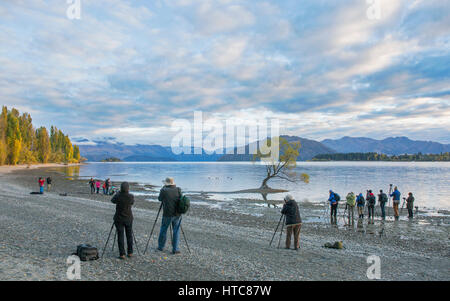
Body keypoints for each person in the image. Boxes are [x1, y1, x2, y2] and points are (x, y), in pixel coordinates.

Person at [157, 177, 183, 254]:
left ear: (166, 184)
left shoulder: (164, 190)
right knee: (176, 231)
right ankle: (175, 249)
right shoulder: (178, 189)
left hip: (167, 214)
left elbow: (160, 199)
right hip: (177, 214)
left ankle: (161, 247)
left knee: (163, 229)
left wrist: (162, 189)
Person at [111, 182, 135, 259]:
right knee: (129, 235)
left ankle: (122, 254)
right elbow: (132, 203)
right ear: (128, 188)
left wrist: (118, 193)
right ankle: (130, 252)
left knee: (120, 235)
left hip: (119, 218)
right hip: (128, 218)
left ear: (121, 188)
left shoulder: (118, 196)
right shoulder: (130, 196)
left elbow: (112, 200)